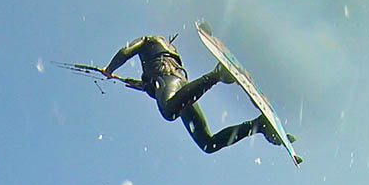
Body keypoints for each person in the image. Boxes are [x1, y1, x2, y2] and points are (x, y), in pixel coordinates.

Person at [102, 34, 295, 154]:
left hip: (171, 82)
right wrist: (142, 85)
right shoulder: (167, 52)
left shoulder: (148, 40)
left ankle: (216, 75)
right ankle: (256, 126)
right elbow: (156, 85)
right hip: (182, 88)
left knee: (169, 111)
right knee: (208, 144)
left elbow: (126, 51)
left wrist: (109, 69)